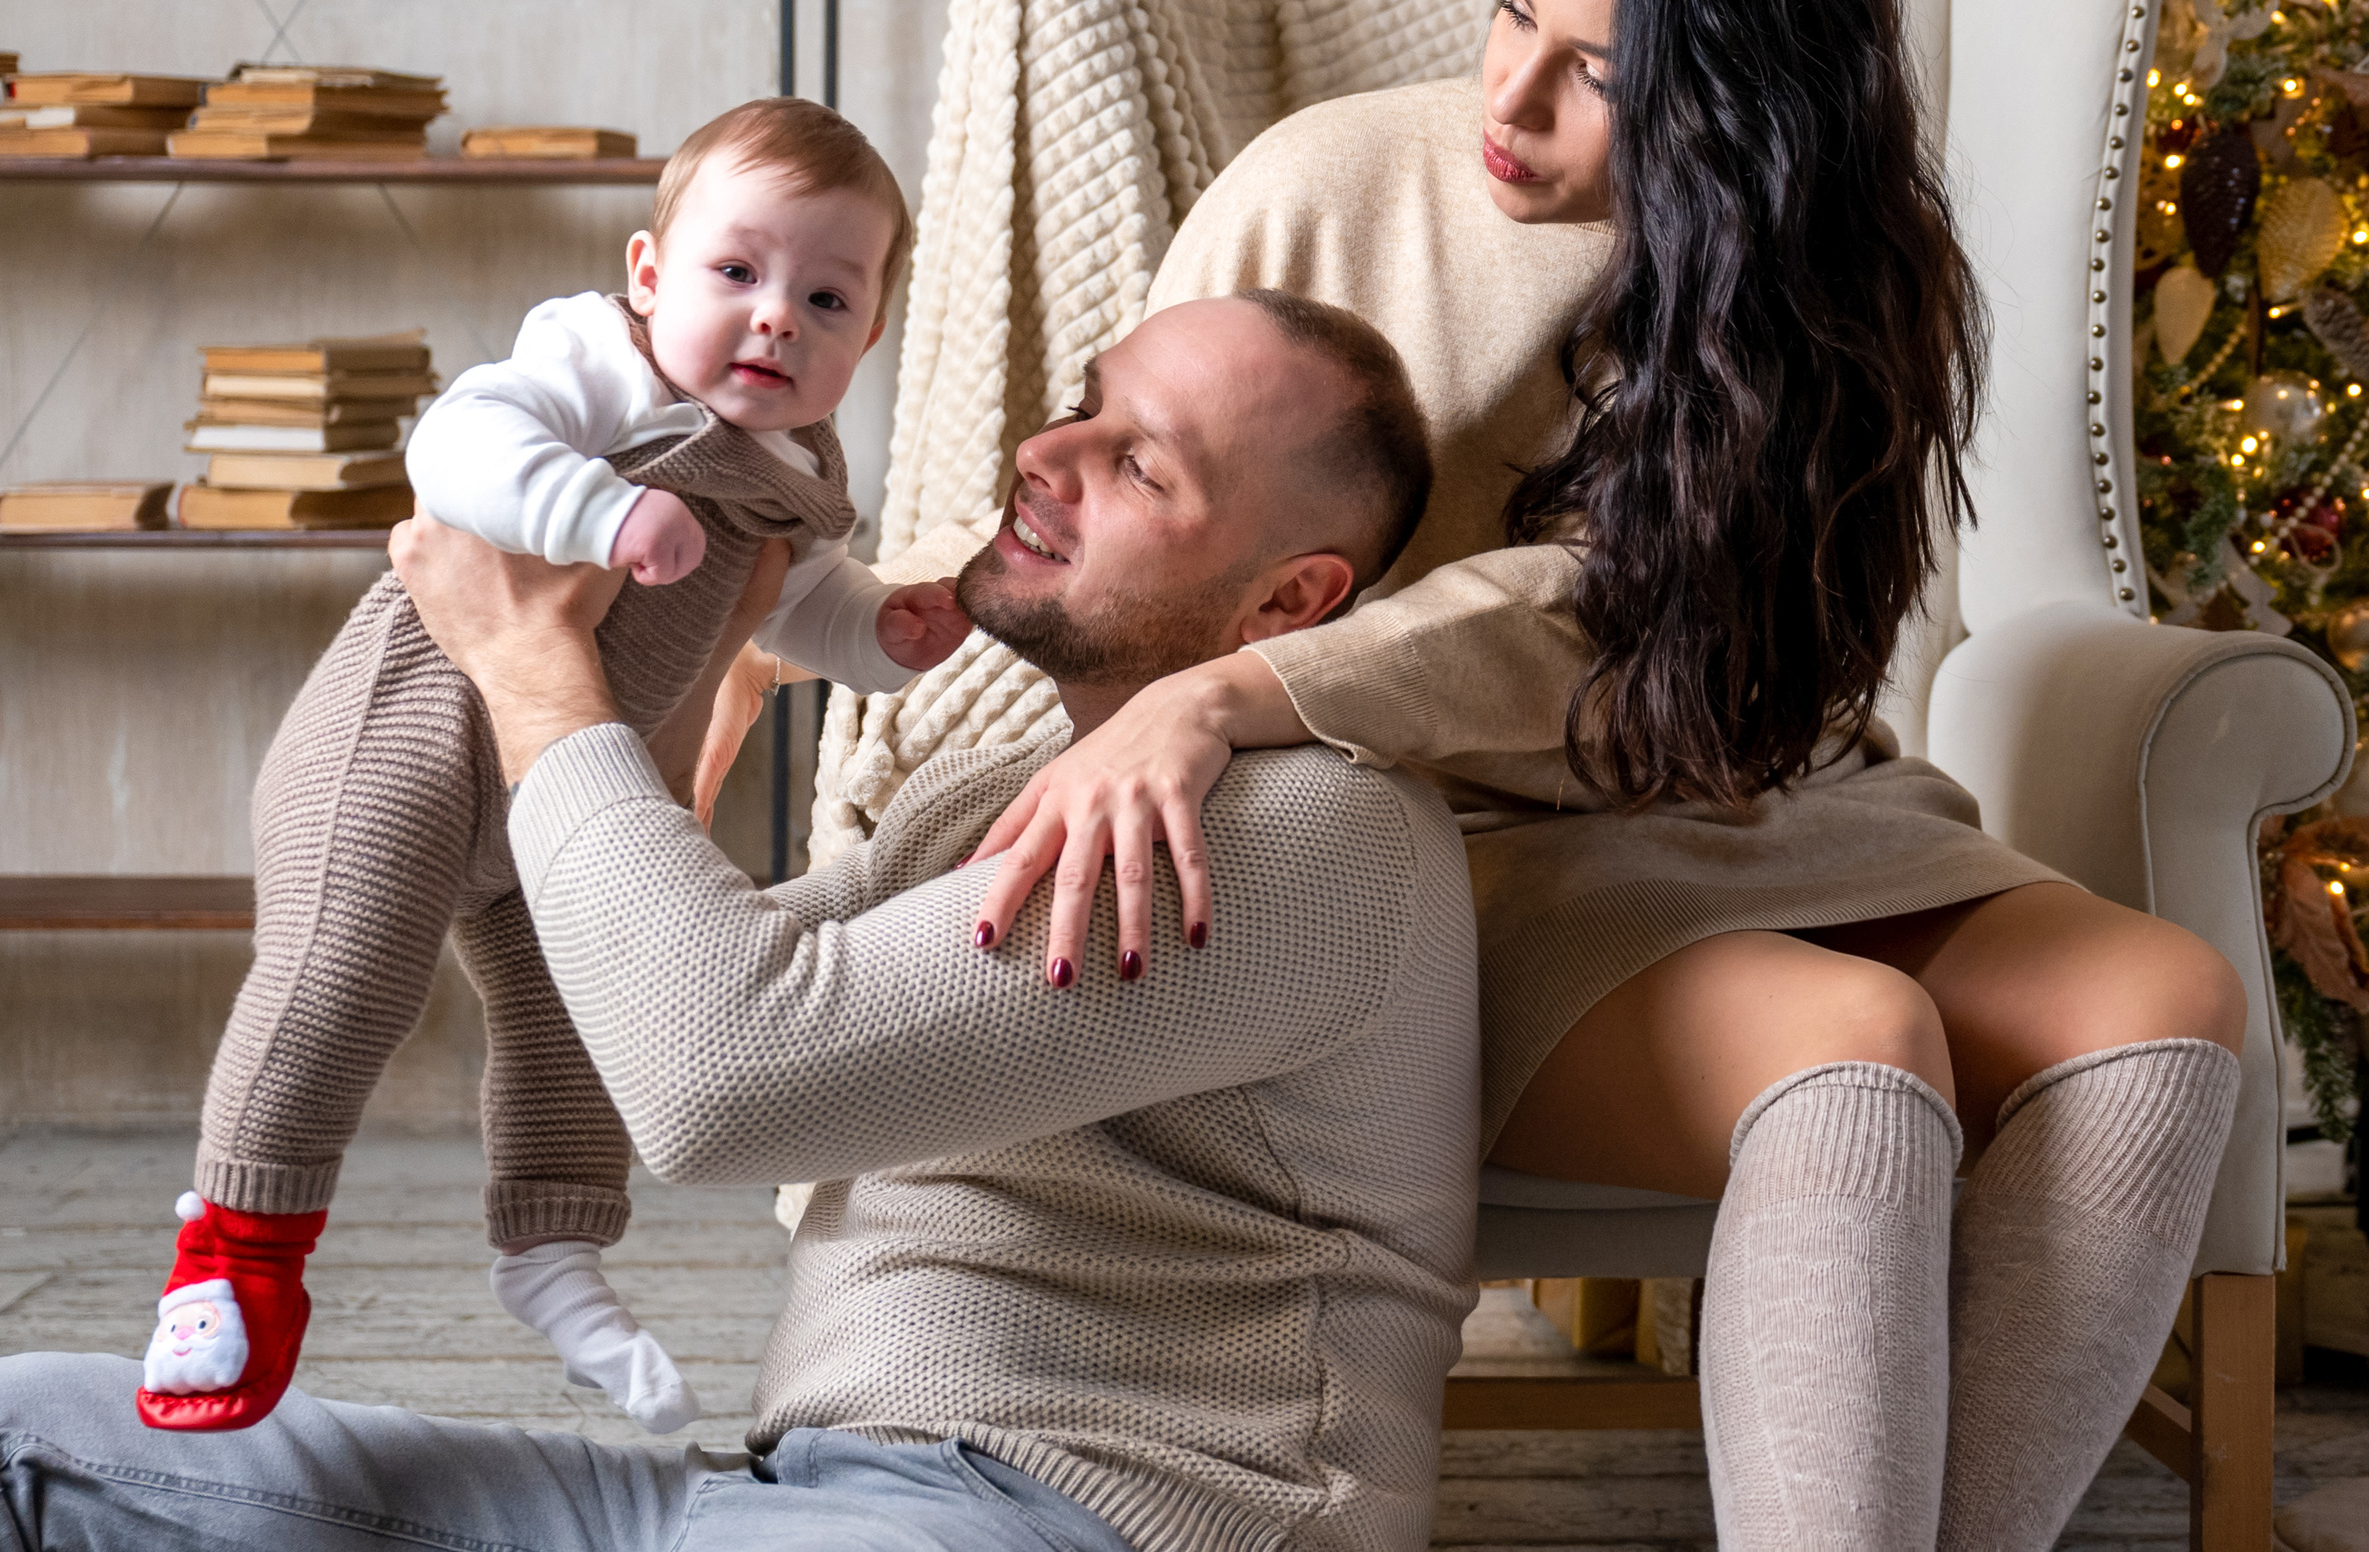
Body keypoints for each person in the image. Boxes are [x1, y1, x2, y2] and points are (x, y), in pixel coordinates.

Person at [933, 0, 2248, 1552]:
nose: (1512, 97)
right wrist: (1232, 696)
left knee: (2167, 1008)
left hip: (1749, 794)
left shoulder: (1843, 280)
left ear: (1750, 111)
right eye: (1510, 12)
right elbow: (1149, 559)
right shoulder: (1325, 194)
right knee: (1862, 1046)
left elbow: (1685, 646)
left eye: (1601, 76)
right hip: (1433, 834)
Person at [0, 290, 1479, 1552]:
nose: (1047, 453)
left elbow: (718, 1076)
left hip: (1076, 1517)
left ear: (1290, 597)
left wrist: (538, 667)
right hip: (792, 1497)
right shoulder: (1000, 797)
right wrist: (487, 766)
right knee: (28, 1436)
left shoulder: (1303, 834)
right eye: (1085, 406)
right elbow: (645, 1008)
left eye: (1139, 463)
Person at [143, 98, 973, 1436]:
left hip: (563, 776)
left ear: (869, 337)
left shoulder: (798, 467)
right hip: (410, 735)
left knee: (585, 1013)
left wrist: (881, 629)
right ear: (649, 278)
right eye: (737, 273)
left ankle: (552, 1251)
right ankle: (236, 1254)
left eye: (828, 298)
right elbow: (455, 447)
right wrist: (600, 506)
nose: (777, 319)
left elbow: (790, 600)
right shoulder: (598, 365)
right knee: (347, 968)